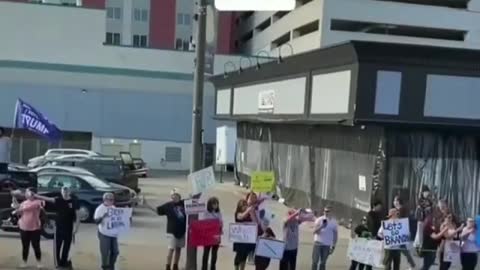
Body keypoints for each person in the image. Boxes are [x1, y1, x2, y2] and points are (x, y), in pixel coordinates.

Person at [34, 186, 80, 269]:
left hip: (69, 227)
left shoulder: (74, 201)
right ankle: (58, 263)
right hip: (59, 227)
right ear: (61, 192)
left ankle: (64, 262)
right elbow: (47, 198)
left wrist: (76, 228)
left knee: (67, 246)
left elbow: (78, 216)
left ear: (69, 192)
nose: (65, 193)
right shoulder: (58, 200)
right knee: (57, 246)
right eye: (63, 191)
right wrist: (36, 196)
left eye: (66, 191)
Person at [12, 187, 44, 269]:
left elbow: (31, 207)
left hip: (35, 228)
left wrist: (18, 209)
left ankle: (39, 263)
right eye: (26, 192)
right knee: (25, 246)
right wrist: (14, 199)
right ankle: (24, 262)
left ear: (33, 194)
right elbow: (19, 212)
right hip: (24, 227)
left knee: (36, 246)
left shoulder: (38, 201)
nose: (26, 194)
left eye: (28, 192)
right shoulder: (24, 203)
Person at [156, 189, 187, 270]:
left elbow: (195, 202)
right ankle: (168, 266)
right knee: (171, 249)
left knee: (178, 249)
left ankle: (175, 266)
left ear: (179, 196)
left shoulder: (184, 203)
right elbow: (157, 211)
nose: (174, 197)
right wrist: (146, 205)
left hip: (182, 231)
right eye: (173, 195)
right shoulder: (168, 205)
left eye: (176, 195)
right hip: (171, 231)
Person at [94, 192, 119, 270]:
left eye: (112, 200)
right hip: (104, 233)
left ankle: (111, 266)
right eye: (109, 200)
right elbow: (96, 222)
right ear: (104, 200)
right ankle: (105, 267)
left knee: (115, 252)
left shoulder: (114, 208)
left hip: (113, 234)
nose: (111, 201)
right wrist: (103, 217)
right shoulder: (100, 209)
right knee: (105, 253)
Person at [233, 198, 258, 270]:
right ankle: (236, 268)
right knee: (239, 255)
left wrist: (252, 213)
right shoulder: (238, 214)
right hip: (240, 239)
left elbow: (255, 222)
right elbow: (241, 217)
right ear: (239, 207)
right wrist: (248, 210)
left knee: (245, 256)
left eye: (245, 205)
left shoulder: (249, 213)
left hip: (248, 239)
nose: (244, 207)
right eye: (243, 205)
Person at [311, 206, 338, 270]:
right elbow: (314, 232)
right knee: (315, 262)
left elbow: (335, 235)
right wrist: (322, 226)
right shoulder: (319, 219)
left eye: (328, 211)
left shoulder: (334, 222)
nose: (326, 212)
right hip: (318, 243)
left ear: (331, 212)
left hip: (327, 245)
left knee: (323, 263)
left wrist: (333, 246)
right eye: (325, 211)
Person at [393, 196, 416, 270]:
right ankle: (411, 264)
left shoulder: (401, 209)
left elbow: (400, 220)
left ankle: (411, 264)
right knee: (402, 249)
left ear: (398, 202)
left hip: (401, 232)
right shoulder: (399, 209)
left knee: (402, 249)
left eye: (395, 200)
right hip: (400, 232)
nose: (394, 202)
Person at [200, 197, 223, 270]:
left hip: (216, 235)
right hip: (207, 236)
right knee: (206, 253)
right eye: (214, 204)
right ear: (210, 204)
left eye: (216, 204)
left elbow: (221, 223)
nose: (215, 205)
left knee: (214, 254)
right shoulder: (206, 212)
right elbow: (204, 223)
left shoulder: (218, 212)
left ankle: (213, 267)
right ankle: (204, 268)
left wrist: (220, 226)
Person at [414, 185, 434, 250]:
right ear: (422, 192)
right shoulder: (420, 200)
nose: (427, 193)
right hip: (421, 219)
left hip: (427, 220)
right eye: (425, 192)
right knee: (420, 233)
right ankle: (419, 246)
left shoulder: (430, 200)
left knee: (423, 233)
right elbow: (421, 209)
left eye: (427, 192)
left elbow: (431, 208)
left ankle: (419, 245)